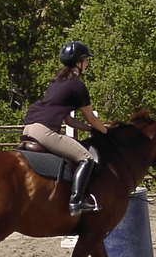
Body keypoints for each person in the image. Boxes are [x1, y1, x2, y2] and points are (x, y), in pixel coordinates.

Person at [23, 40, 108, 216]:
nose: (88, 64)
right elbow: (91, 117)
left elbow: (68, 120)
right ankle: (76, 201)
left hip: (29, 128)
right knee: (86, 158)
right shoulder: (77, 85)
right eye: (86, 60)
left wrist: (88, 129)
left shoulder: (57, 83)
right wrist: (106, 131)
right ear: (79, 62)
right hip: (45, 131)